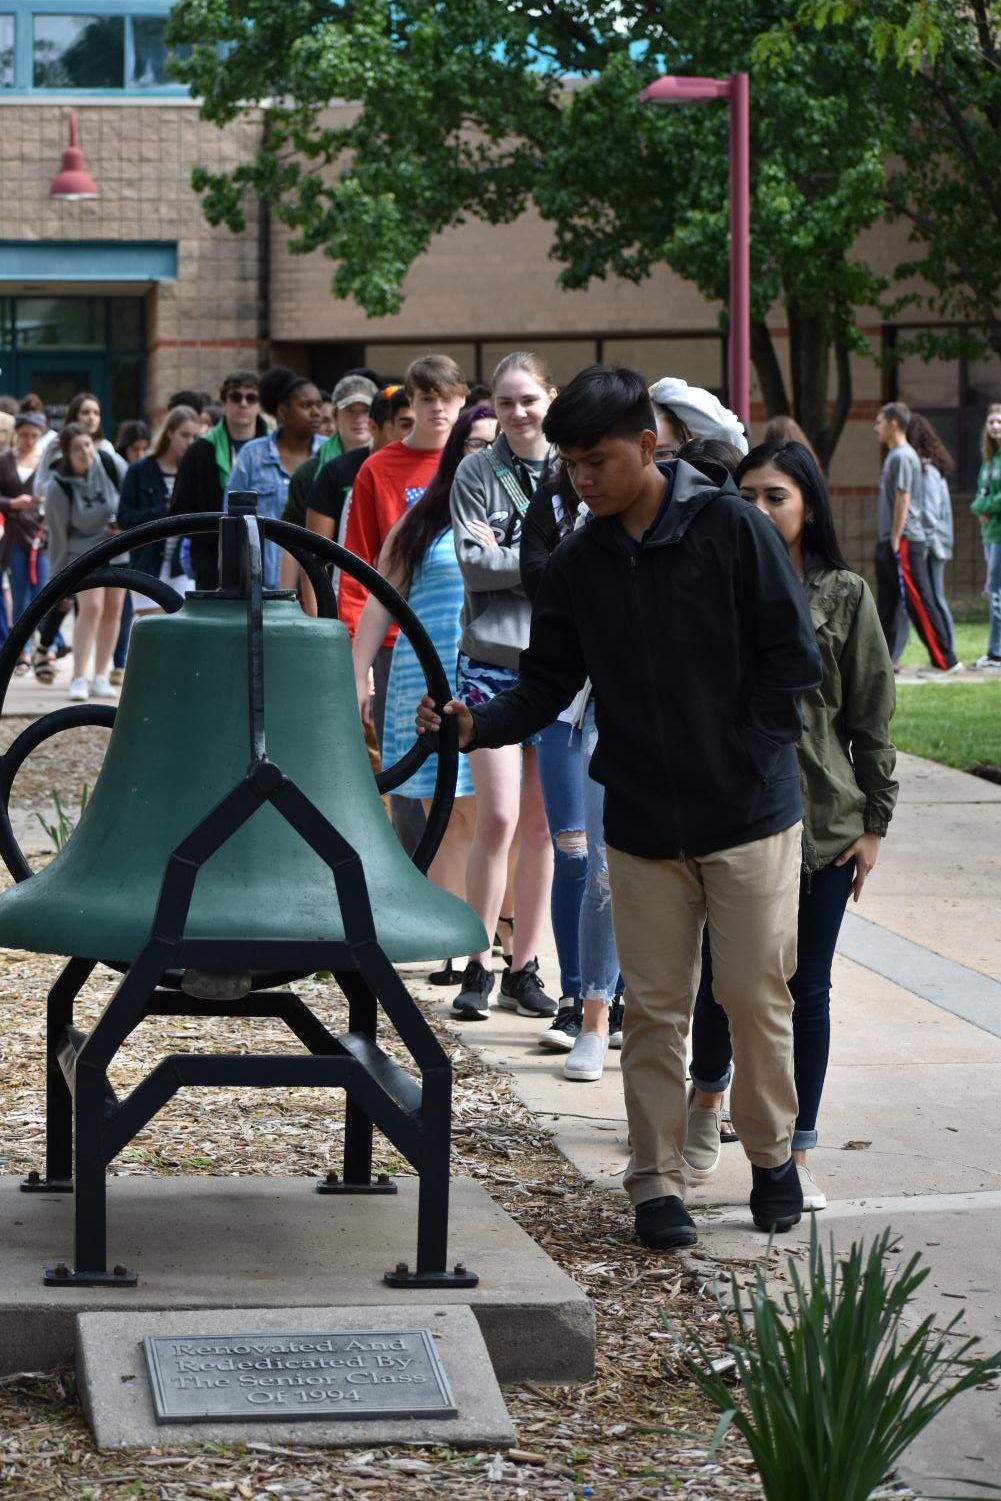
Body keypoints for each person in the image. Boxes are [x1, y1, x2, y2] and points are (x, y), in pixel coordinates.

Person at [418, 365, 823, 1249]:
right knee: (652, 1005)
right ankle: (654, 1181)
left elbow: (791, 659)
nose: (581, 479)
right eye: (569, 464)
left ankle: (769, 1154)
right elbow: (544, 689)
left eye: (596, 459)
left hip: (750, 813)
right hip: (641, 821)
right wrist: (472, 724)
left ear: (648, 445)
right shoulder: (575, 565)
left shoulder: (730, 530)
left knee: (753, 995)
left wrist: (747, 760)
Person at [685, 440, 898, 1212]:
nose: (758, 508)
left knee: (806, 989)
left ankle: (794, 1151)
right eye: (744, 494)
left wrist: (873, 822)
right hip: (732, 819)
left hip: (823, 828)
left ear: (807, 502)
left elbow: (870, 717)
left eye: (775, 494)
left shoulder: (842, 594)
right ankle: (707, 1098)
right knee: (726, 982)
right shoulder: (712, 585)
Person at [447, 350, 562, 1025]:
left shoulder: (570, 468)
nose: (517, 412)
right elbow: (471, 561)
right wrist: (539, 562)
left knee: (544, 827)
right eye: (506, 400)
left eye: (529, 399)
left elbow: (578, 559)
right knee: (496, 816)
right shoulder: (474, 470)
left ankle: (525, 965)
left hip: (553, 666)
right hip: (487, 661)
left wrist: (510, 556)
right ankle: (476, 961)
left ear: (550, 397)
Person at [351, 406, 494, 916]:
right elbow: (381, 599)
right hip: (422, 678)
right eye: (475, 443)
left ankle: (498, 932)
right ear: (456, 450)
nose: (487, 453)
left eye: (495, 443)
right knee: (444, 811)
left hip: (492, 682)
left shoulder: (523, 515)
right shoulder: (422, 519)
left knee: (490, 815)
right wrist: (358, 674)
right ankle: (452, 931)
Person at [522, 461, 624, 1079]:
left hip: (633, 717)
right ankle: (584, 1005)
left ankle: (621, 1003)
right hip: (571, 714)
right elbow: (534, 576)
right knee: (582, 857)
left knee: (625, 866)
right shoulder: (561, 516)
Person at [872, 402, 958, 676]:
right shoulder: (894, 456)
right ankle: (880, 662)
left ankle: (946, 660)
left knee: (919, 600)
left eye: (880, 421)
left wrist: (896, 539)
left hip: (906, 541)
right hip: (892, 540)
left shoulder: (903, 456)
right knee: (887, 604)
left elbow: (903, 497)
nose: (876, 426)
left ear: (894, 423)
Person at [44, 423, 125, 701]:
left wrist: (125, 522)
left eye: (88, 445)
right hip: (82, 552)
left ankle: (101, 675)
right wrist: (58, 581)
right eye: (77, 448)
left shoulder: (111, 464)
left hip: (117, 546)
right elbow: (57, 537)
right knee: (91, 608)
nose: (85, 452)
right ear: (67, 453)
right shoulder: (58, 486)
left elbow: (129, 497)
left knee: (113, 610)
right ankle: (79, 676)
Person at [225, 366, 324, 589]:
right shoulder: (252, 455)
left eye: (318, 405)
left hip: (318, 586)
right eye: (306, 405)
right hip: (263, 587)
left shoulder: (328, 455)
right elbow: (230, 522)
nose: (316, 412)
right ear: (282, 411)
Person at [169, 369, 267, 592]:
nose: (243, 403)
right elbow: (179, 510)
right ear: (224, 402)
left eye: (251, 397)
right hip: (212, 564)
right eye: (235, 397)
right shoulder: (199, 451)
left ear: (260, 404)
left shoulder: (274, 449)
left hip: (268, 561)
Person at [117, 406, 201, 614]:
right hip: (148, 564)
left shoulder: (195, 471)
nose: (190, 442)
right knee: (153, 632)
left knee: (181, 632)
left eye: (194, 436)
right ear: (170, 432)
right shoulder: (140, 470)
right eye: (184, 435)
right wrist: (164, 511)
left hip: (182, 567)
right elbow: (124, 518)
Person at [0, 410, 47, 670]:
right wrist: (12, 503)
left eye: (33, 436)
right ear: (16, 434)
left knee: (44, 591)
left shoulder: (45, 462)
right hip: (14, 536)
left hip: (41, 536)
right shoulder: (5, 459)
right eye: (23, 435)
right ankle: (23, 650)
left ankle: (44, 646)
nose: (28, 440)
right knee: (19, 597)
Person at [906, 413, 956, 655]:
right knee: (935, 596)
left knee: (935, 597)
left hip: (933, 542)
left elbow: (930, 513)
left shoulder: (927, 470)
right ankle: (948, 650)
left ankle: (949, 651)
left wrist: (923, 545)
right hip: (935, 540)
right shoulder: (929, 467)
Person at [649, 377, 748, 462]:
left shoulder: (700, 477)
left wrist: (661, 390)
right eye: (643, 452)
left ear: (684, 446)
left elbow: (726, 430)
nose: (651, 466)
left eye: (661, 454)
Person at [971, 403, 1001, 671]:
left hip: (999, 534)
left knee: (996, 593)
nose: (995, 426)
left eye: (999, 421)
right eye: (991, 422)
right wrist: (982, 507)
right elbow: (980, 495)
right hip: (989, 535)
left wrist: (984, 507)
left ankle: (996, 653)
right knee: (995, 593)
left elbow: (992, 500)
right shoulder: (989, 460)